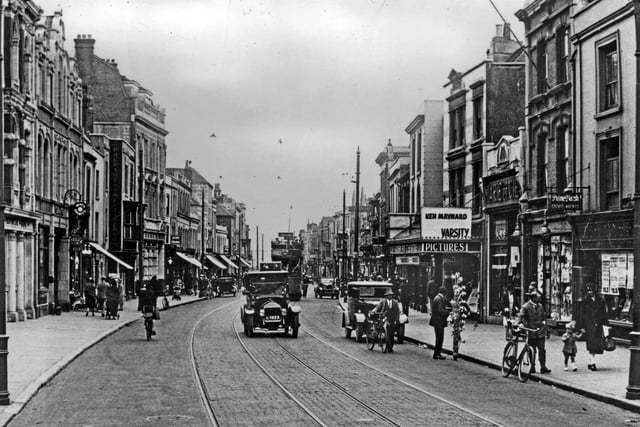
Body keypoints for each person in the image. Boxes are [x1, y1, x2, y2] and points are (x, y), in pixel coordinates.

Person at [518, 283, 551, 374]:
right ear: (533, 298)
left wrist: (547, 331)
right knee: (532, 350)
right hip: (531, 331)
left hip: (541, 331)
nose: (540, 299)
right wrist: (519, 323)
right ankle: (532, 366)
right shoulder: (526, 306)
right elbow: (521, 316)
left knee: (542, 350)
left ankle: (543, 367)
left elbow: (544, 318)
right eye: (538, 298)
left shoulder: (540, 306)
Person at [577, 283, 609, 371]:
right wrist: (581, 326)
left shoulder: (600, 300)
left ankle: (591, 361)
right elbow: (581, 315)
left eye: (591, 290)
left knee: (596, 344)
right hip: (589, 325)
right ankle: (592, 362)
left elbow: (603, 313)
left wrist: (606, 324)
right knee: (592, 344)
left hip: (598, 324)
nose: (590, 292)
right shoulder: (585, 301)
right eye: (588, 290)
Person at [429, 285, 450, 360]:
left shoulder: (436, 297)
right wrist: (449, 312)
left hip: (436, 320)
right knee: (439, 338)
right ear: (443, 293)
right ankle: (437, 354)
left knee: (438, 337)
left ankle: (437, 353)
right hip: (439, 321)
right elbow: (440, 310)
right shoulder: (439, 299)